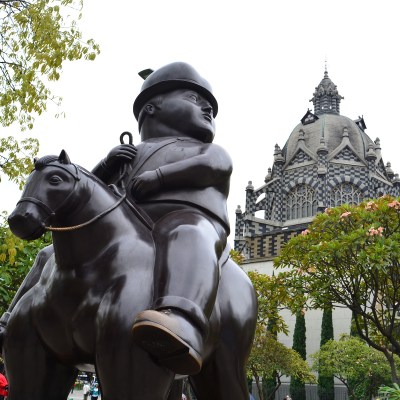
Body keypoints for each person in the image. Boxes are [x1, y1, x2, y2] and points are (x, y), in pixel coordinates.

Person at [92, 62, 232, 375]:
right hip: (127, 230)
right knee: (51, 253)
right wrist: (104, 167)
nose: (208, 107)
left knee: (185, 232)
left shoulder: (206, 149)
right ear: (152, 108)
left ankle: (182, 319)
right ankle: (13, 319)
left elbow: (215, 166)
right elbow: (90, 196)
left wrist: (159, 177)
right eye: (194, 99)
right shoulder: (128, 154)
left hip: (191, 222)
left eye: (208, 103)